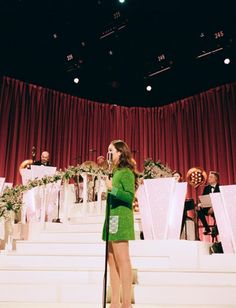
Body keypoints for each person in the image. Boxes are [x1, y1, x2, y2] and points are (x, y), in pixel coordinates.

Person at [103, 140, 138, 308]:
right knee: (112, 260)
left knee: (123, 260)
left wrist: (112, 189)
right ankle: (115, 302)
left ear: (120, 153)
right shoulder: (115, 172)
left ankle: (126, 303)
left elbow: (129, 197)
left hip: (121, 219)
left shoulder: (126, 172)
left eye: (111, 151)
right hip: (112, 219)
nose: (108, 154)